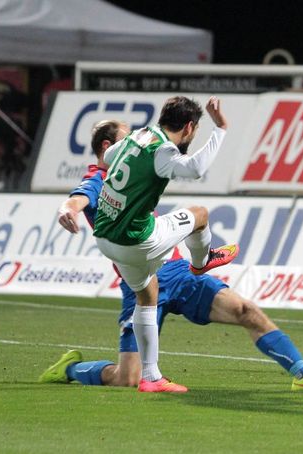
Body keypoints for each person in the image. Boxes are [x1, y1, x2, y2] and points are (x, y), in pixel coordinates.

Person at [39, 119, 303, 392]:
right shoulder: (98, 180)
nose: (134, 142)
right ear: (107, 147)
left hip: (177, 273)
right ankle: (70, 368)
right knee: (126, 379)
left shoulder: (134, 169)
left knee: (245, 310)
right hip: (140, 284)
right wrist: (68, 210)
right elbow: (77, 199)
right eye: (126, 137)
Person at [90, 96, 240, 392]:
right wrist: (220, 128)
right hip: (136, 240)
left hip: (106, 238)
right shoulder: (163, 150)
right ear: (189, 127)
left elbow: (107, 159)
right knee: (200, 215)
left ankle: (151, 377)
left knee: (147, 295)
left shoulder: (139, 136)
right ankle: (202, 262)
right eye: (195, 132)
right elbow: (195, 168)